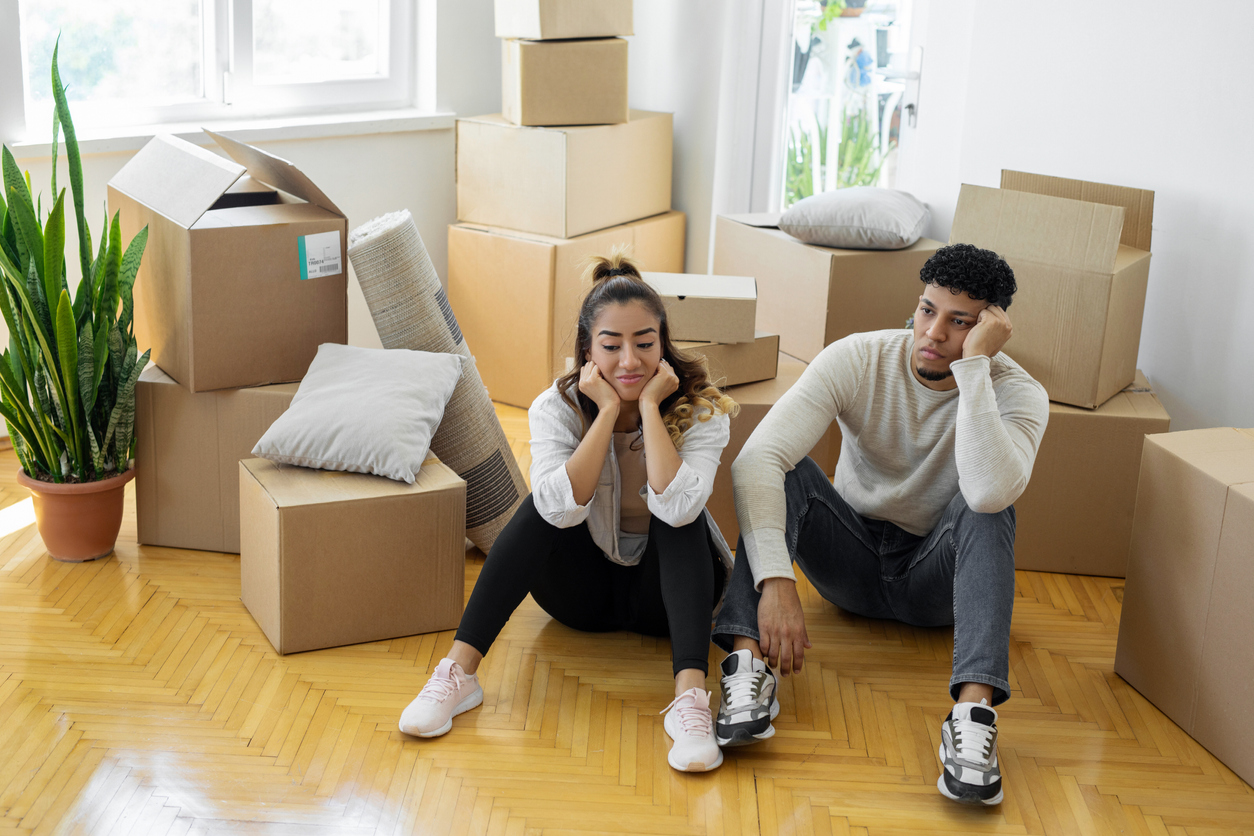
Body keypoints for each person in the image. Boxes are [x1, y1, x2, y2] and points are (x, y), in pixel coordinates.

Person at [711, 243, 1049, 805]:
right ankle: (746, 665)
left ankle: (972, 719)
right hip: (850, 562)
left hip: (933, 584)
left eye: (959, 322)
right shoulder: (859, 357)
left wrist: (974, 374)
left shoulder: (1018, 394)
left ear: (993, 329)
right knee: (788, 472)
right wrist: (776, 579)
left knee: (987, 507)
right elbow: (756, 460)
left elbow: (989, 492)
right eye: (927, 309)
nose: (934, 332)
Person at [399, 250, 739, 773]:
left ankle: (691, 702)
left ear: (664, 346)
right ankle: (457, 674)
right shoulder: (554, 407)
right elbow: (556, 509)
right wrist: (605, 413)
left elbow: (680, 504)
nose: (630, 361)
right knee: (543, 502)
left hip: (666, 603)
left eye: (645, 344)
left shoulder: (701, 409)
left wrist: (649, 408)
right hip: (581, 598)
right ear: (587, 351)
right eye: (611, 345)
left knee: (676, 510)